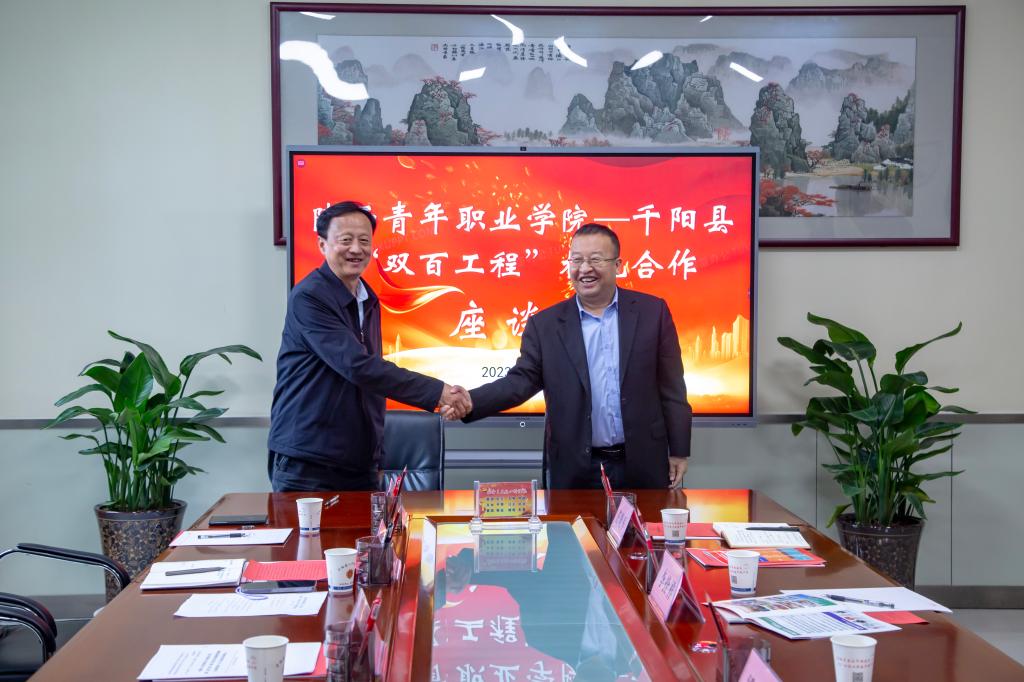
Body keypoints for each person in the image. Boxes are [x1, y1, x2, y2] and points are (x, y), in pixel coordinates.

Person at [455, 223, 692, 489]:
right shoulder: (545, 325)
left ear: (618, 265)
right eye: (576, 260)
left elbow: (672, 387)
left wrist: (679, 450)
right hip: (576, 468)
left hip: (643, 462)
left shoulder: (653, 313)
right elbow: (520, 382)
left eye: (595, 259)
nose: (584, 269)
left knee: (646, 519)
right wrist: (469, 402)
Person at [268, 201, 470, 492]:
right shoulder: (310, 297)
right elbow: (358, 367)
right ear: (322, 244)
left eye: (364, 240)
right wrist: (438, 392)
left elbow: (370, 386)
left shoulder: (368, 299)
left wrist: (376, 454)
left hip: (359, 462)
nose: (356, 249)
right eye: (345, 240)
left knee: (371, 527)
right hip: (309, 460)